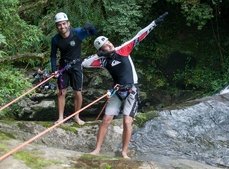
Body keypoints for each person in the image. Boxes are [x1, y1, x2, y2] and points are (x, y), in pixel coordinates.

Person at [82, 12, 168, 158]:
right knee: (106, 119)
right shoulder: (103, 60)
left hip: (132, 89)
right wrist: (99, 55)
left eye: (108, 42)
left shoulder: (123, 49)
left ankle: (124, 152)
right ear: (101, 50)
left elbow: (139, 36)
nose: (109, 45)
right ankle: (97, 149)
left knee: (127, 121)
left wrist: (155, 23)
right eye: (105, 46)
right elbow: (84, 63)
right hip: (117, 90)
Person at [50, 12, 96, 125]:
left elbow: (93, 33)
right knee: (61, 92)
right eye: (59, 25)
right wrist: (53, 70)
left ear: (68, 23)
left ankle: (77, 116)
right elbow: (53, 55)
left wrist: (91, 28)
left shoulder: (78, 33)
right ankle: (60, 117)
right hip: (63, 66)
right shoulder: (55, 39)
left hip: (76, 65)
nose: (62, 27)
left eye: (64, 24)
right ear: (57, 27)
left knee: (77, 92)